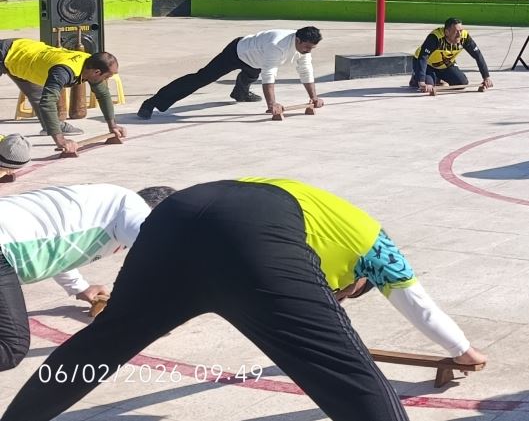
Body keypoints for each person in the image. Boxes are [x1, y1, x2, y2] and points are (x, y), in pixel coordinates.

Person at [2, 178, 487, 421]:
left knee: (101, 346)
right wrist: (463, 350)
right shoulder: (375, 248)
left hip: (177, 214)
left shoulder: (324, 217)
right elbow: (417, 302)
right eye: (346, 291)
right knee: (342, 368)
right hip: (251, 232)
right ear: (361, 280)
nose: (338, 294)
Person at [0, 184, 173, 370]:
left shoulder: (108, 205)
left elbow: (57, 248)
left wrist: (79, 286)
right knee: (12, 347)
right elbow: (158, 257)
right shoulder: (135, 208)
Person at [138, 27, 324, 119]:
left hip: (256, 60)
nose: (308, 51)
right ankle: (151, 103)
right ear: (297, 40)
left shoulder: (303, 50)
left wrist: (314, 97)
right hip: (237, 52)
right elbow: (269, 75)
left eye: (312, 48)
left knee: (252, 73)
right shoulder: (277, 45)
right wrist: (272, 104)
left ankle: (240, 93)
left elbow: (306, 71)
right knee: (203, 77)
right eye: (307, 47)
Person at [0, 40, 123, 157]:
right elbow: (47, 103)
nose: (106, 79)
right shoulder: (63, 72)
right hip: (7, 53)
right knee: (46, 99)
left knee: (37, 95)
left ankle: (53, 126)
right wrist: (61, 140)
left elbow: (103, 95)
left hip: (24, 58)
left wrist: (113, 126)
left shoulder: (90, 64)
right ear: (97, 72)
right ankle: (55, 129)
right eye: (107, 76)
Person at [411, 18, 493, 93]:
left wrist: (486, 77)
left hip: (446, 64)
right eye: (456, 31)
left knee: (461, 83)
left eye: (461, 31)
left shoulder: (464, 37)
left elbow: (478, 55)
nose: (459, 34)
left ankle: (437, 78)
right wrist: (421, 82)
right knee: (428, 86)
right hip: (426, 64)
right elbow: (423, 57)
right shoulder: (435, 37)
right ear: (447, 32)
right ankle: (415, 78)